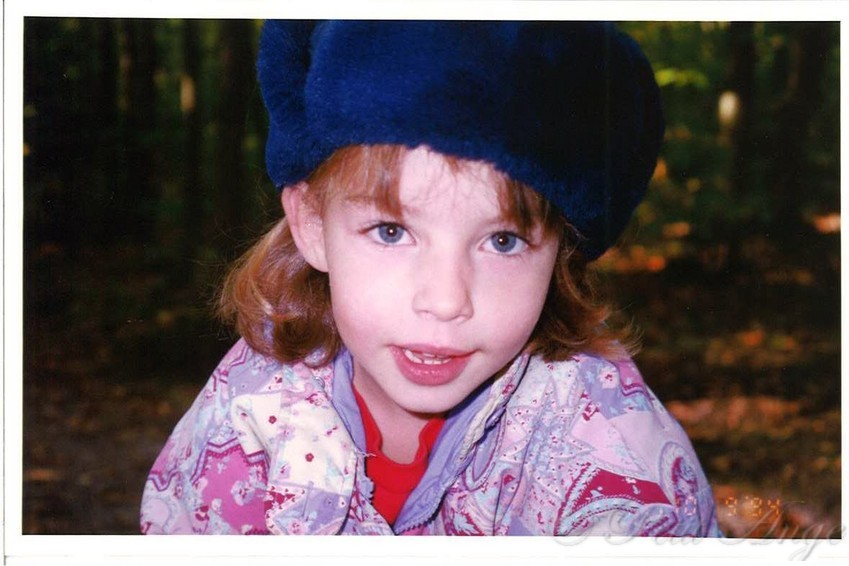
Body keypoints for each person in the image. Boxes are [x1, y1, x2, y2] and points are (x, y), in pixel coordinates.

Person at [140, 20, 721, 536]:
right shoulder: (251, 407)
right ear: (313, 225)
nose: (445, 301)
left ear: (560, 255)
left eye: (503, 241)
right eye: (391, 231)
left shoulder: (615, 464)